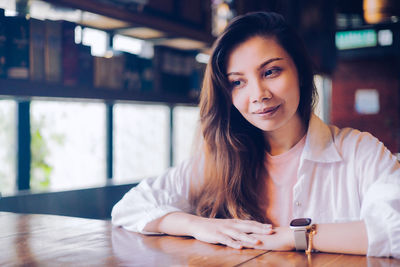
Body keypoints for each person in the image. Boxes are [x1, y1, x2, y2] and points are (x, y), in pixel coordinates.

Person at [111, 11, 400, 258]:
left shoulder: (358, 151)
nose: (258, 95)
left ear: (300, 73)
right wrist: (197, 225)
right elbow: (130, 207)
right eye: (238, 82)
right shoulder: (218, 160)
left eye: (271, 72)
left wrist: (293, 237)